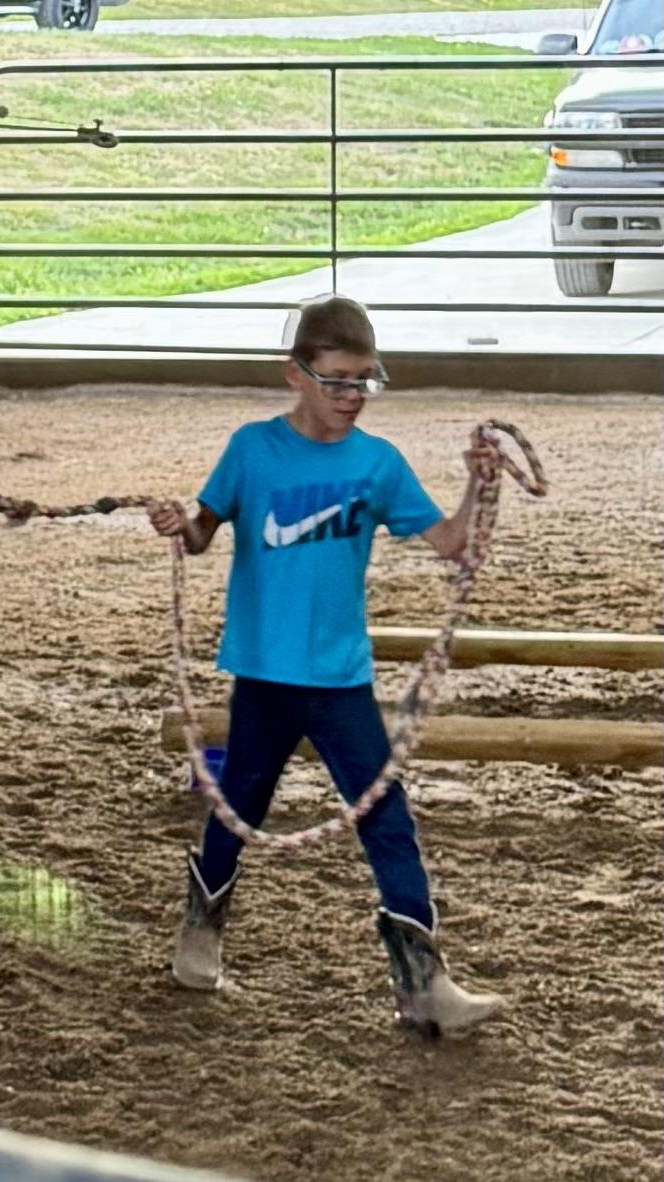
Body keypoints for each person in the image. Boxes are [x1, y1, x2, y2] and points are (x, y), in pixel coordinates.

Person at [149, 295, 504, 1035]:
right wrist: (178, 524)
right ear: (295, 375)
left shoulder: (377, 464)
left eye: (365, 382)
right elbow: (202, 532)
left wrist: (478, 483)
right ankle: (200, 931)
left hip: (341, 679)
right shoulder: (251, 449)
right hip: (263, 674)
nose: (351, 398)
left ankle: (421, 983)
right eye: (338, 380)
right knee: (235, 809)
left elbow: (448, 542)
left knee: (387, 819)